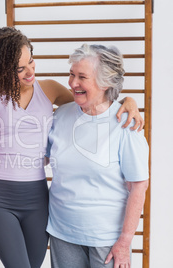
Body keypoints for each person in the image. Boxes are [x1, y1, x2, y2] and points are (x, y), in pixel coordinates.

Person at [0, 27, 144, 268]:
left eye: (31, 61)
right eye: (19, 68)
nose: (30, 71)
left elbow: (94, 105)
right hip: (19, 208)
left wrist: (128, 101)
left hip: (43, 203)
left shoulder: (52, 91)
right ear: (2, 68)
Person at [46, 44, 149, 268]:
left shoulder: (125, 124)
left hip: (107, 240)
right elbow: (39, 158)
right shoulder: (60, 116)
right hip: (62, 233)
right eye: (71, 74)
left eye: (82, 77)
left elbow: (139, 186)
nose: (73, 83)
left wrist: (125, 241)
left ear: (106, 83)